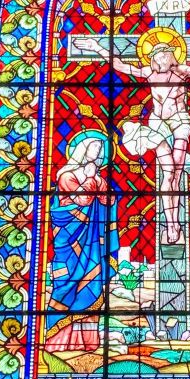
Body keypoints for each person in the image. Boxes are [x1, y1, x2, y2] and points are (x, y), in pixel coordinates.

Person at [86, 29, 190, 244]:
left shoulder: (183, 72)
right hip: (157, 123)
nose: (162, 60)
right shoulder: (148, 73)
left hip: (179, 122)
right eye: (158, 57)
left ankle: (174, 222)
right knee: (168, 175)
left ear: (171, 56)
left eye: (165, 56)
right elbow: (119, 65)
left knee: (175, 173)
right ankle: (171, 223)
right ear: (153, 59)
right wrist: (97, 48)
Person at [46, 136, 116, 351]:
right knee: (67, 283)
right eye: (94, 147)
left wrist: (97, 182)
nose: (98, 151)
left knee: (92, 284)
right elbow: (82, 200)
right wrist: (91, 179)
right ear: (82, 150)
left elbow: (109, 201)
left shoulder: (98, 178)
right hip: (68, 239)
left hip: (92, 241)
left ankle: (87, 342)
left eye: (100, 148)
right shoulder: (66, 176)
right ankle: (58, 341)